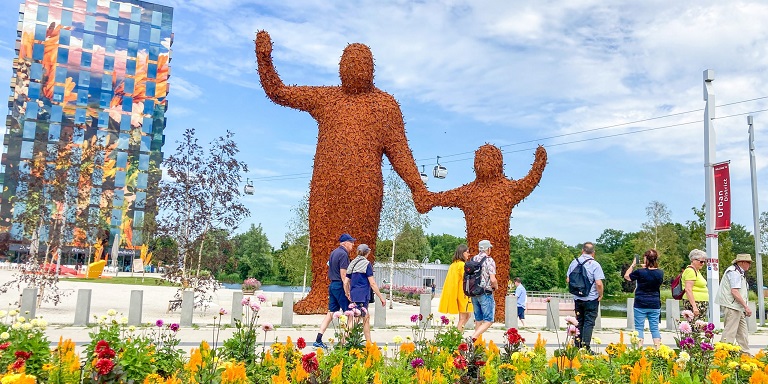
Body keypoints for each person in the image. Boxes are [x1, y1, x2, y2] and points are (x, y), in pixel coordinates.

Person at [256, 31, 430, 315]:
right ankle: (320, 294)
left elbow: (400, 153)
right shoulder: (326, 98)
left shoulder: (385, 106)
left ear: (371, 70)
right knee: (324, 239)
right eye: (348, 62)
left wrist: (417, 188)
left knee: (359, 246)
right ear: (340, 67)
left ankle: (357, 297)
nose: (353, 68)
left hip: (365, 189)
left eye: (360, 63)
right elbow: (279, 92)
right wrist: (264, 59)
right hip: (326, 187)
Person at [426, 144, 547, 321]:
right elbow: (441, 198)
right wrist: (426, 198)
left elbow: (528, 182)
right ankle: (483, 315)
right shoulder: (468, 192)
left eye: (488, 159)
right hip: (478, 255)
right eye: (480, 159)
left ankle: (495, 313)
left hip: (497, 252)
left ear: (499, 163)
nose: (483, 163)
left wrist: (538, 164)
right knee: (478, 280)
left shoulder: (506, 189)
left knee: (493, 277)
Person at [313, 233, 355, 349]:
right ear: (345, 243)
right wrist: (348, 291)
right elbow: (343, 275)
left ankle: (318, 339)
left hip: (332, 285)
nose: (353, 244)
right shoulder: (343, 255)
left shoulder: (333, 253)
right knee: (350, 314)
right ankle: (344, 344)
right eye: (351, 242)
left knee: (331, 313)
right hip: (340, 285)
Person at [566, 242, 605, 352]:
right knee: (589, 323)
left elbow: (568, 280)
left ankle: (577, 346)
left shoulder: (574, 262)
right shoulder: (595, 264)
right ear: (593, 253)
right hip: (591, 298)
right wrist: (600, 294)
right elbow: (598, 283)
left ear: (582, 251)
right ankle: (585, 347)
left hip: (578, 298)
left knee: (579, 322)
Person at [345, 244, 387, 344]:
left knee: (365, 319)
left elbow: (346, 281)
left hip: (354, 294)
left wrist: (347, 293)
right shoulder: (366, 264)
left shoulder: (352, 263)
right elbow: (372, 283)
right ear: (367, 252)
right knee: (356, 320)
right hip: (362, 296)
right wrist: (381, 297)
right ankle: (342, 343)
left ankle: (369, 343)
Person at [623, 249, 663, 348]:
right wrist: (646, 268)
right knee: (654, 328)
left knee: (639, 328)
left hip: (640, 303)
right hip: (654, 303)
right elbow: (651, 273)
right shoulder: (660, 273)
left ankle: (639, 350)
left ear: (645, 258)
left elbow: (627, 276)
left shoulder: (640, 272)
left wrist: (633, 265)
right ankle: (658, 350)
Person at [715, 253, 753, 354]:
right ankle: (723, 354)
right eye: (748, 262)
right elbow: (734, 291)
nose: (750, 265)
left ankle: (745, 354)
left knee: (742, 332)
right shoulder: (734, 272)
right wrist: (746, 307)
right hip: (732, 306)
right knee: (730, 332)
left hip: (737, 306)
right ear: (742, 262)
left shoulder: (738, 272)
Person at [438, 245, 474, 332]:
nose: (469, 254)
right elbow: (466, 279)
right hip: (463, 294)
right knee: (464, 317)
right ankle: (457, 336)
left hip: (456, 293)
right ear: (462, 253)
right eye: (467, 252)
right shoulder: (462, 265)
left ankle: (458, 334)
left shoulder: (453, 265)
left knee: (467, 316)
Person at [470, 240, 498, 340]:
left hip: (473, 293)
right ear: (488, 249)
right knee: (488, 320)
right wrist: (496, 286)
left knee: (478, 319)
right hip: (485, 293)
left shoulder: (473, 259)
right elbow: (493, 279)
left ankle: (475, 344)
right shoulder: (489, 260)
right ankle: (473, 337)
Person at [683, 249, 709, 322]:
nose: (703, 263)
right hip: (695, 302)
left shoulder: (697, 271)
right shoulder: (690, 271)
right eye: (701, 261)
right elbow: (688, 289)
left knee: (699, 325)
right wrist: (694, 306)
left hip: (700, 302)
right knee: (695, 325)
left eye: (704, 261)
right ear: (693, 260)